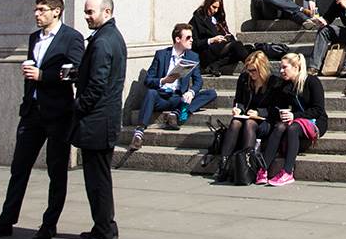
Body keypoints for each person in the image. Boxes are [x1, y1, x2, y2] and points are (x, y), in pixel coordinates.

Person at [0, 0, 86, 239]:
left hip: (58, 113)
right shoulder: (34, 38)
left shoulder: (71, 38)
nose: (37, 14)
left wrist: (42, 76)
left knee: (56, 171)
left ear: (57, 12)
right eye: (36, 9)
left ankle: (49, 224)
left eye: (42, 10)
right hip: (32, 112)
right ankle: (5, 221)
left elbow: (77, 72)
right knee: (19, 168)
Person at [69, 0, 126, 239]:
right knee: (100, 176)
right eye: (86, 12)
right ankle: (106, 225)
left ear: (106, 11)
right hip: (104, 119)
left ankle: (102, 231)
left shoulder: (103, 41)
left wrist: (78, 106)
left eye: (90, 12)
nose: (86, 16)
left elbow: (98, 84)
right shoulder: (111, 37)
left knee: (97, 179)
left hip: (98, 121)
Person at [129, 24, 218, 147]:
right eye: (188, 37)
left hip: (179, 98)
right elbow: (148, 80)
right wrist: (163, 80)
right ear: (177, 39)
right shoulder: (161, 55)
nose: (192, 40)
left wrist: (191, 92)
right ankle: (139, 132)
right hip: (161, 97)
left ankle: (176, 113)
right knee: (151, 93)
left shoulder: (193, 56)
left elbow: (198, 82)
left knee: (211, 93)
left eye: (191, 37)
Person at [259, 53, 327, 186]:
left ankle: (288, 172)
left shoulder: (312, 81)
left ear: (296, 67)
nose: (281, 71)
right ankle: (263, 168)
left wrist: (294, 116)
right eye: (280, 68)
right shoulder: (285, 86)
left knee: (293, 127)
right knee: (279, 127)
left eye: (284, 67)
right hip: (296, 120)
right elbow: (276, 107)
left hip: (316, 122)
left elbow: (318, 110)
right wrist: (282, 113)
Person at [214, 50, 273, 181]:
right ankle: (223, 164)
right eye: (248, 70)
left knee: (250, 123)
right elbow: (239, 100)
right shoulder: (244, 79)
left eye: (253, 71)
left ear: (262, 68)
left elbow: (275, 108)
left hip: (265, 121)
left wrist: (259, 112)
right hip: (246, 117)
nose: (251, 74)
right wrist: (238, 109)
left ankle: (247, 165)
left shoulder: (272, 82)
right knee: (235, 122)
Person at [190, 0, 249, 76]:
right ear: (207, 4)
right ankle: (252, 67)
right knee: (237, 46)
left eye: (218, 8)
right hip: (207, 50)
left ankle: (215, 65)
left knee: (245, 48)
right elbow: (194, 43)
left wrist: (228, 36)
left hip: (220, 48)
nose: (216, 10)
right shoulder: (197, 19)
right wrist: (211, 40)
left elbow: (226, 32)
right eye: (213, 7)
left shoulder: (218, 17)